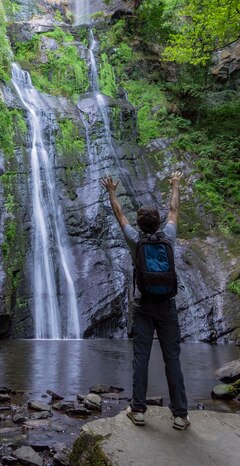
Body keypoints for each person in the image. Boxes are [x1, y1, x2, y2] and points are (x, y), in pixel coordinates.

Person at [101, 172, 190, 431]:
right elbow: (174, 209)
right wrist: (175, 185)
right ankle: (180, 414)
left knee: (141, 357)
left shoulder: (135, 239)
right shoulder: (169, 236)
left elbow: (120, 216)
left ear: (139, 224)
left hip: (142, 306)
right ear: (159, 222)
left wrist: (111, 192)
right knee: (172, 358)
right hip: (167, 306)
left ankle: (138, 410)